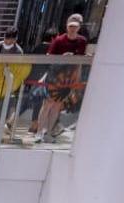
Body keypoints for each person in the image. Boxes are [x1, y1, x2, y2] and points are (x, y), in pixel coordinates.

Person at [34, 12, 88, 142]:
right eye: (70, 26)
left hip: (68, 78)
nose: (72, 29)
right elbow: (49, 57)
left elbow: (80, 61)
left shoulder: (82, 41)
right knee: (47, 104)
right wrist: (62, 58)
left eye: (75, 26)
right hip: (55, 75)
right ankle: (39, 132)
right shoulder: (59, 40)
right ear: (67, 26)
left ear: (79, 27)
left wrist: (77, 78)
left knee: (57, 105)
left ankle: (48, 132)